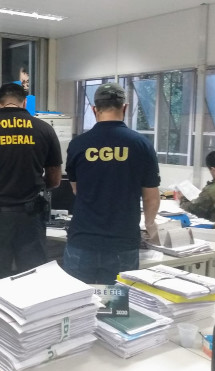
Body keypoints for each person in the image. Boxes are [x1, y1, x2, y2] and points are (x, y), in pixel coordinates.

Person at [0, 82, 62, 365]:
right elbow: (54, 180)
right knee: (33, 278)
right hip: (31, 218)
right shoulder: (44, 129)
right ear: (24, 102)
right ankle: (35, 344)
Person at [63, 82, 161, 284]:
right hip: (123, 243)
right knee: (116, 303)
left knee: (79, 302)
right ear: (125, 108)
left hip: (82, 240)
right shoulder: (141, 145)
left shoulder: (78, 144)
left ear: (94, 109)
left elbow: (76, 189)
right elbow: (151, 197)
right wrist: (150, 224)